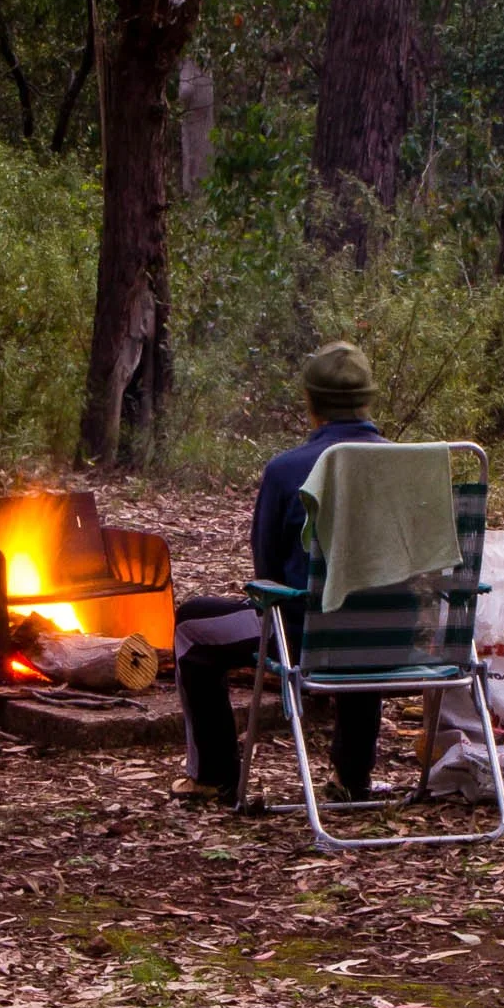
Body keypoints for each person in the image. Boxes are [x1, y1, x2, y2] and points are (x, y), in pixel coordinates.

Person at [170, 340, 389, 806]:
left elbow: (266, 570)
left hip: (306, 634)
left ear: (310, 403)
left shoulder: (288, 470)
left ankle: (212, 775)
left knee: (192, 624)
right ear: (369, 399)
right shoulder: (411, 468)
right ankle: (352, 777)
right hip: (395, 640)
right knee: (365, 605)